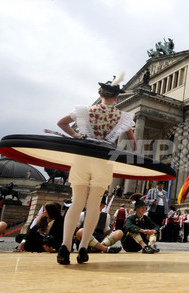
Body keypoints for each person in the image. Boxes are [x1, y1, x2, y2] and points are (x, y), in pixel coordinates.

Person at [56, 73, 137, 265]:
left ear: (101, 94)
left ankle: (65, 246)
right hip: (103, 159)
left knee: (76, 203)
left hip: (83, 156)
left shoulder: (85, 110)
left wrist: (77, 136)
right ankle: (84, 248)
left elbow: (61, 123)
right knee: (93, 207)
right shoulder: (122, 116)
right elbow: (133, 144)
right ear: (117, 98)